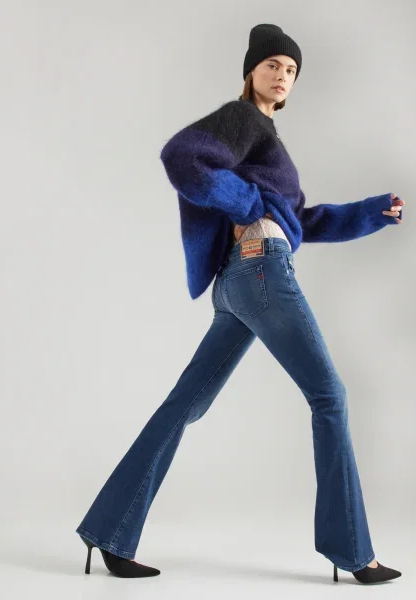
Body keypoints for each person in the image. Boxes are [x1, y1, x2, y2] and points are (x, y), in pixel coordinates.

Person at [75, 24, 404, 584]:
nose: (282, 75)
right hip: (260, 271)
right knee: (329, 396)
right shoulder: (243, 118)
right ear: (251, 71)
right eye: (272, 64)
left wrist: (371, 212)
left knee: (184, 405)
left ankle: (109, 529)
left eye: (291, 69)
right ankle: (352, 551)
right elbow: (183, 157)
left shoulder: (265, 139)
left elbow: (301, 222)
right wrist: (249, 205)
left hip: (239, 283)